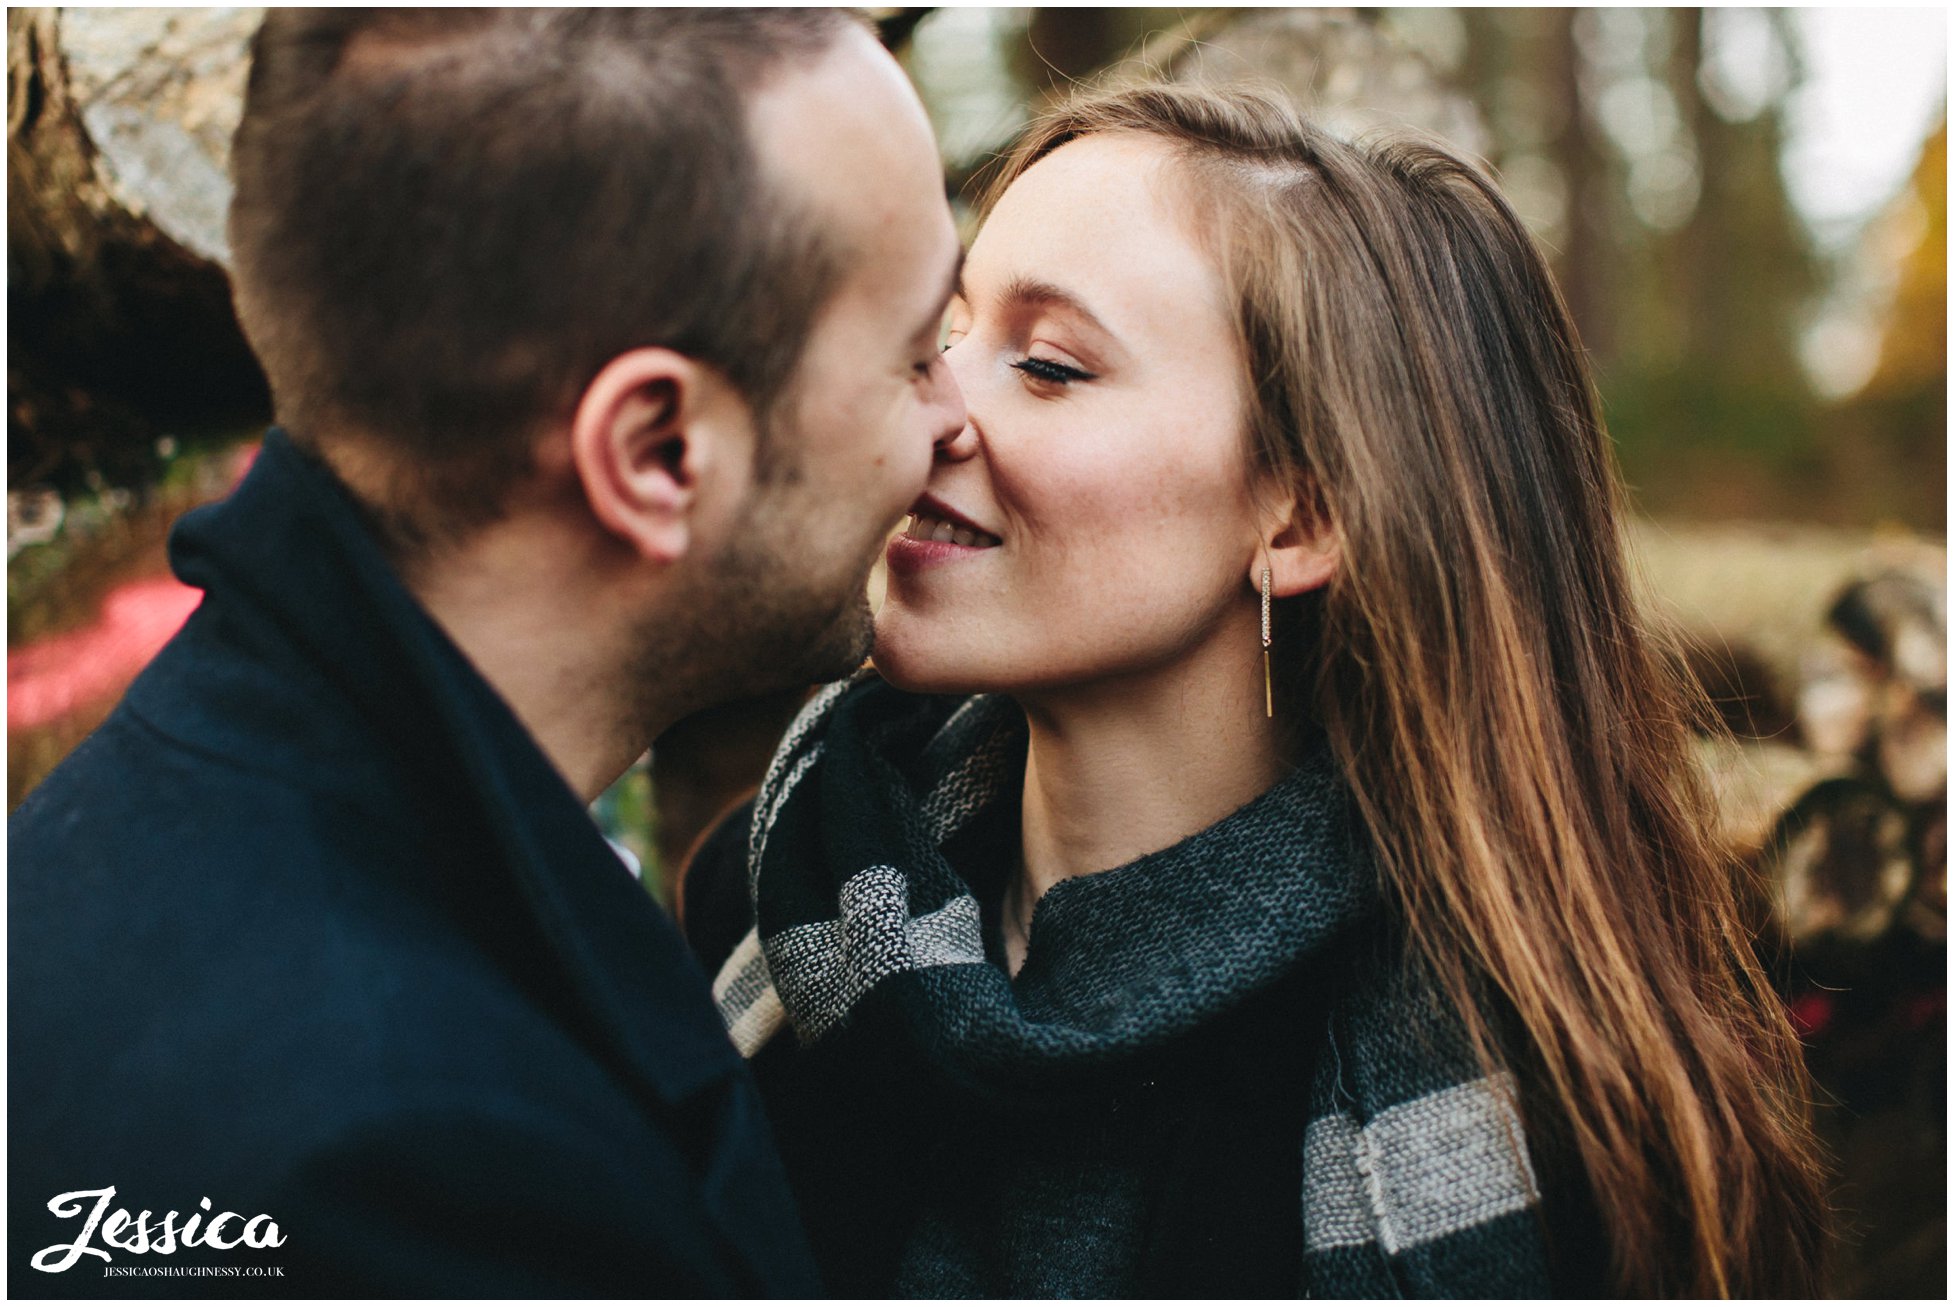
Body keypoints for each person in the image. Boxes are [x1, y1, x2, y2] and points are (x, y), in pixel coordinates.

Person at [685, 82, 1832, 1297]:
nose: (928, 406)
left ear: (1301, 514)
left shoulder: (1544, 1123)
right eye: (947, 331)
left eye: (1048, 363)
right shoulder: (771, 888)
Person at [9, 8, 964, 1296]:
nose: (957, 419)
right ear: (655, 453)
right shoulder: (439, 1173)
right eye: (916, 355)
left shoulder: (149, 831)